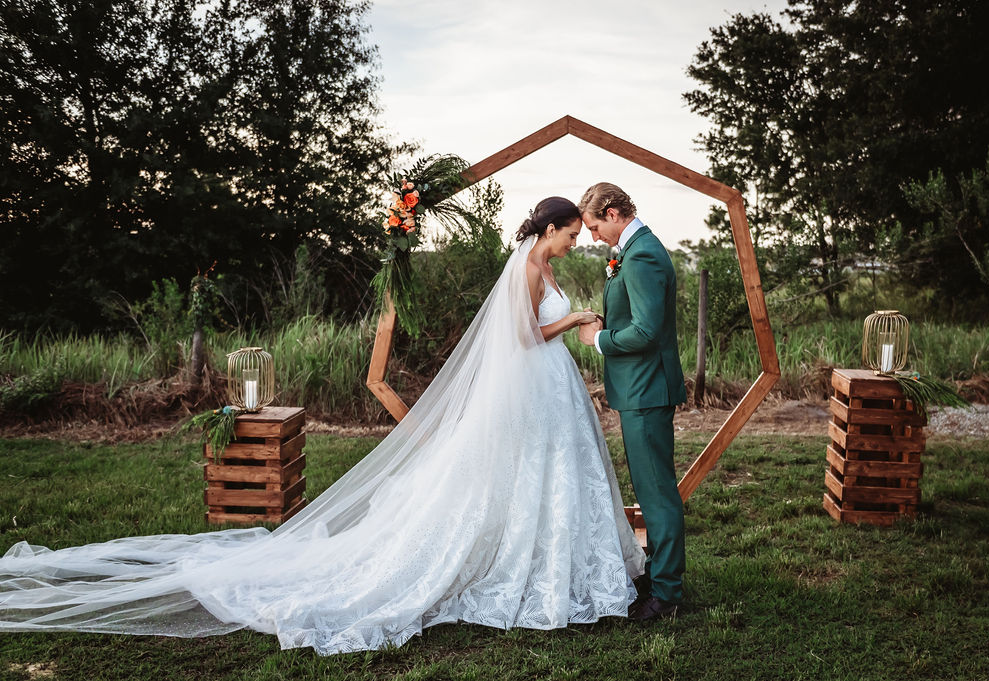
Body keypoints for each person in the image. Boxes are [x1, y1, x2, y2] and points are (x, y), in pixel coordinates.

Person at [0, 197, 645, 655]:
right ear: (554, 227)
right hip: (534, 377)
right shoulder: (529, 269)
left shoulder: (546, 264)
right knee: (529, 469)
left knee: (549, 472)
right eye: (570, 234)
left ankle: (557, 560)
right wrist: (577, 319)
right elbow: (526, 335)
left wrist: (577, 319)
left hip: (550, 387)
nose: (575, 242)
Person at [577, 182, 687, 622]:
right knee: (651, 490)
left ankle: (666, 594)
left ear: (614, 211)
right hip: (640, 389)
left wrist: (599, 339)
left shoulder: (641, 255)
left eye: (594, 226)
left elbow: (646, 332)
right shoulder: (634, 250)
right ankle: (661, 576)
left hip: (647, 389)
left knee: (658, 494)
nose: (592, 236)